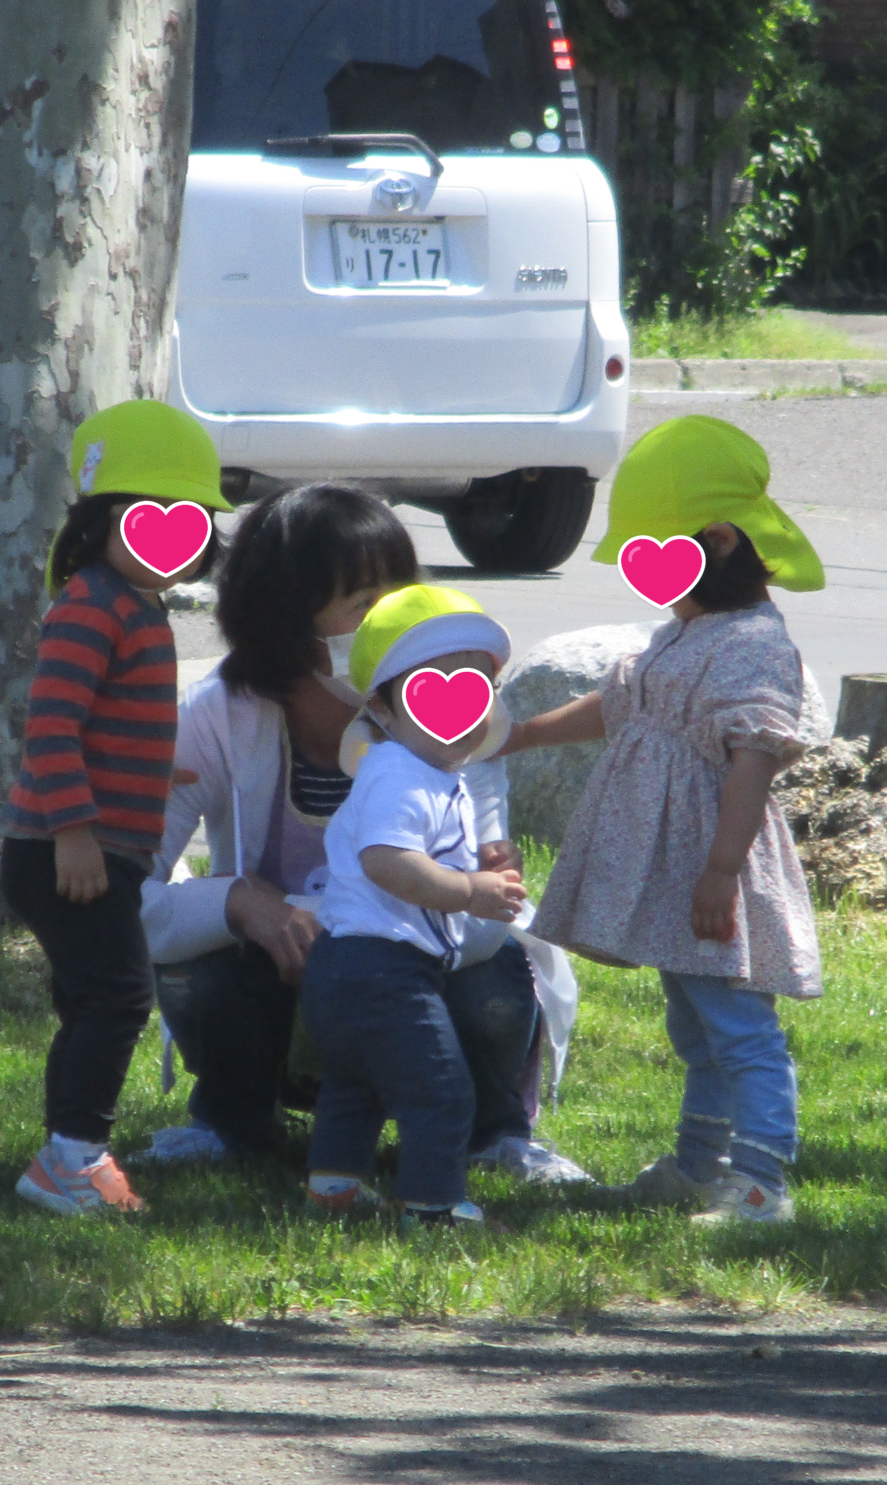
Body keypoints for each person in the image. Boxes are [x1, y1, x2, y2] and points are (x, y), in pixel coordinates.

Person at [139, 483, 588, 1183]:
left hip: (421, 988)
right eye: (363, 601)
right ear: (287, 622)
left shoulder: (455, 712)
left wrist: (360, 923)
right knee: (201, 977)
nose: (395, 620)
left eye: (400, 591)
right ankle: (230, 1121)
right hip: (285, 996)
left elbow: (483, 925)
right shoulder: (214, 717)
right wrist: (237, 902)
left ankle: (493, 1132)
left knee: (495, 987)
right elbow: (133, 900)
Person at [504, 415, 825, 1225]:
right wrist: (523, 735)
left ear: (716, 540)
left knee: (738, 1026)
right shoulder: (689, 631)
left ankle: (761, 1184)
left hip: (709, 866)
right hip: (682, 865)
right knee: (698, 1023)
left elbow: (751, 760)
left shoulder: (754, 646)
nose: (652, 585)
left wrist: (720, 872)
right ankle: (699, 1165)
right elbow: (622, 702)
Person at [1, 400, 234, 1216]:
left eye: (192, 522)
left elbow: (104, 726)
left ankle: (62, 1155)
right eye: (151, 518)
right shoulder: (93, 604)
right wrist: (75, 832)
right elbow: (52, 725)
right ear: (101, 522)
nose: (175, 538)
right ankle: (74, 1158)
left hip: (97, 840)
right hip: (67, 846)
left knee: (90, 999)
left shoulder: (136, 604)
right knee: (121, 997)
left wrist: (149, 776)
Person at [300, 584, 530, 1226]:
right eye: (434, 691)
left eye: (478, 693)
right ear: (380, 703)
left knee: (355, 1086)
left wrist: (477, 866)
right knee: (441, 1090)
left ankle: (334, 1189)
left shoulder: (429, 773)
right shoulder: (399, 772)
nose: (462, 713)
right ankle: (431, 1205)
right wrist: (470, 892)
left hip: (346, 967)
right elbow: (387, 861)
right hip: (383, 970)